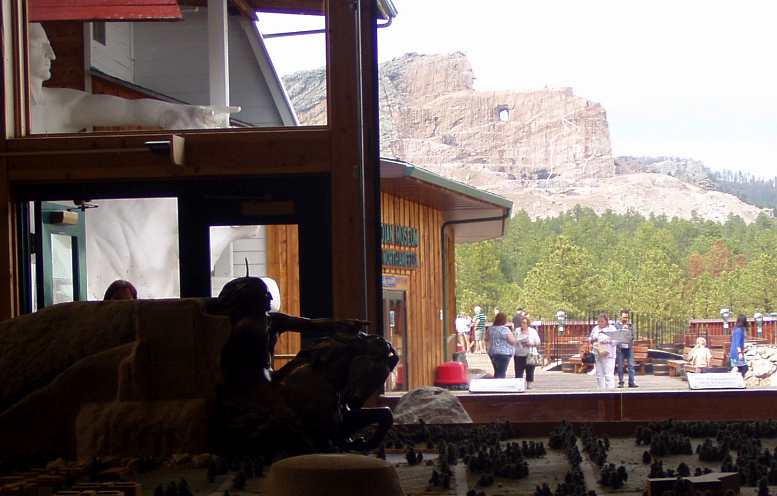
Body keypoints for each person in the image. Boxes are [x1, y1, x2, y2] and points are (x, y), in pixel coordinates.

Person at [28, 23, 239, 134]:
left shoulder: (62, 105)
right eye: (40, 45)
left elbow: (129, 110)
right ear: (15, 45)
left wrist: (178, 113)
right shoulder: (54, 107)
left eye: (50, 46)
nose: (52, 55)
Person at [589, 313, 617, 390]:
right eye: (599, 321)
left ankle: (610, 391)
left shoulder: (612, 329)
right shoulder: (595, 329)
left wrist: (607, 340)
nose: (600, 323)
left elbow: (616, 341)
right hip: (598, 353)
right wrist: (593, 340)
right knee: (599, 374)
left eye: (602, 321)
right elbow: (590, 338)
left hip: (608, 355)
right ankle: (600, 390)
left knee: (608, 374)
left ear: (606, 321)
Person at [513, 316, 541, 389]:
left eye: (524, 323)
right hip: (519, 354)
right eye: (522, 323)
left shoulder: (532, 331)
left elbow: (538, 342)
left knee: (530, 370)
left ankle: (529, 384)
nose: (523, 324)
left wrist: (531, 343)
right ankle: (519, 385)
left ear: (528, 324)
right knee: (518, 371)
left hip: (530, 354)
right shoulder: (517, 330)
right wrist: (518, 341)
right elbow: (513, 340)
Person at [486, 312, 516, 378]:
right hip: (504, 353)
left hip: (492, 352)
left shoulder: (490, 329)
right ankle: (500, 382)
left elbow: (486, 339)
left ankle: (496, 380)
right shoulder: (505, 329)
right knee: (502, 372)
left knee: (497, 371)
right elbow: (512, 341)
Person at [614, 309, 638, 388]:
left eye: (627, 317)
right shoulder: (616, 325)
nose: (625, 319)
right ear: (620, 317)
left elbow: (633, 336)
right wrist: (622, 330)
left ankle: (631, 382)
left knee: (631, 365)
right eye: (624, 317)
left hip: (629, 348)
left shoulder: (630, 325)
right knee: (620, 366)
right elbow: (615, 336)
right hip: (620, 348)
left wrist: (628, 331)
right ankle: (621, 382)